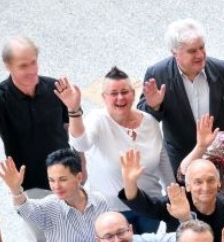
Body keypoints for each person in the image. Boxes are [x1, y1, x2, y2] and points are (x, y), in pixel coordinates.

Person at [58, 67, 172, 231]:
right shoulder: (97, 120)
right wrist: (73, 110)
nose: (120, 97)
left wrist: (173, 193)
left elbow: (163, 160)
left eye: (125, 92)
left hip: (149, 206)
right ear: (104, 97)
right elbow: (80, 144)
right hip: (112, 210)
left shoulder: (150, 122)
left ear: (133, 93)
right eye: (113, 93)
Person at [0, 36, 68, 193]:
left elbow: (69, 126)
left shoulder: (54, 88)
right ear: (8, 66)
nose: (32, 70)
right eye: (23, 66)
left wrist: (81, 161)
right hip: (30, 183)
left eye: (33, 62)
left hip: (66, 173)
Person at [137, 19, 224, 173]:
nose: (200, 55)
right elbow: (143, 119)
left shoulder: (223, 70)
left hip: (221, 154)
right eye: (192, 51)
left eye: (202, 47)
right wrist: (153, 106)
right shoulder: (157, 73)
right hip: (182, 157)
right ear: (174, 53)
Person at [119, 151, 224, 242]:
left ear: (219, 183)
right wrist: (129, 182)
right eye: (198, 182)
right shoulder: (176, 201)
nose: (205, 187)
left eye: (211, 180)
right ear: (188, 186)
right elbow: (145, 207)